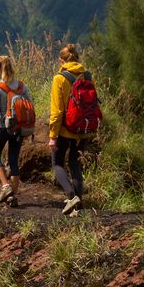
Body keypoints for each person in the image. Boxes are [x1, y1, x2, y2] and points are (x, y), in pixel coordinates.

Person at [48, 43, 88, 216]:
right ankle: (78, 203)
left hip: (65, 129)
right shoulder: (87, 75)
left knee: (57, 162)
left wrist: (52, 136)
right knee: (74, 163)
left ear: (61, 61)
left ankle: (71, 196)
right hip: (84, 128)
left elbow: (56, 111)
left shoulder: (60, 78)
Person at [0, 55, 26, 208]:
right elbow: (29, 104)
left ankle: (5, 186)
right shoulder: (22, 86)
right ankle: (13, 197)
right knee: (13, 160)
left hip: (2, 127)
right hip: (19, 128)